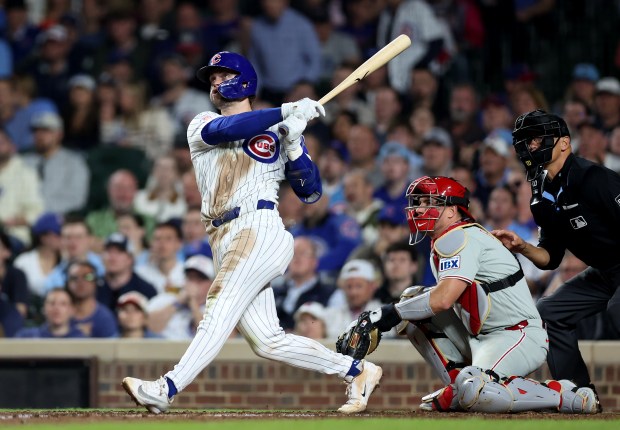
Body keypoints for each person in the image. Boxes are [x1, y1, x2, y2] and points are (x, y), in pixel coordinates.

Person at [122, 51, 382, 414]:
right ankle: (356, 370)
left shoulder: (279, 129)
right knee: (267, 341)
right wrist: (285, 112)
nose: (214, 82)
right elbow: (231, 129)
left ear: (244, 80)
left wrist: (293, 145)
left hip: (258, 228)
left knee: (218, 307)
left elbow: (310, 192)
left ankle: (166, 387)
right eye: (211, 78)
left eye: (222, 75)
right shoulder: (201, 122)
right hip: (221, 235)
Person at [341, 175, 598, 414]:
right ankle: (460, 386)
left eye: (429, 202)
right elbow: (439, 299)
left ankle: (566, 395)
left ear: (452, 211)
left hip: (518, 334)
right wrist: (392, 313)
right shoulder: (445, 240)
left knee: (474, 387)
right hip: (481, 337)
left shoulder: (461, 237)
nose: (418, 209)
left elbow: (443, 299)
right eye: (417, 203)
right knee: (411, 299)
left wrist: (383, 315)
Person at [492, 109, 620, 404]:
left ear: (564, 142)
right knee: (550, 311)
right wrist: (522, 246)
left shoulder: (594, 177)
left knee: (618, 309)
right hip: (604, 272)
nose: (531, 147)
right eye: (526, 141)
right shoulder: (541, 194)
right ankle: (579, 396)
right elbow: (551, 258)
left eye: (537, 139)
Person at [14, 287, 85, 338]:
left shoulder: (81, 340)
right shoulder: (26, 337)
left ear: (71, 310)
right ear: (43, 308)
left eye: (63, 304)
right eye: (52, 303)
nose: (57, 308)